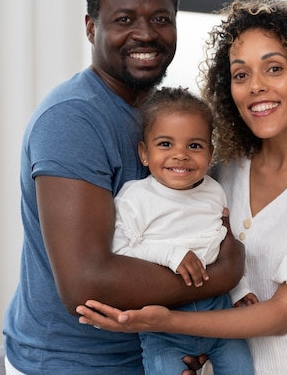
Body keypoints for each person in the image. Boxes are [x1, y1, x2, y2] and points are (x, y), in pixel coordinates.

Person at [76, 0, 287, 375]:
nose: (255, 86)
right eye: (241, 74)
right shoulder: (223, 172)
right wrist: (195, 346)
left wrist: (167, 324)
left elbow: (281, 315)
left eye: (274, 68)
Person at [2, 0, 245, 374]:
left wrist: (192, 333)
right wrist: (223, 273)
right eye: (124, 18)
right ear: (92, 27)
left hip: (158, 351)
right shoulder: (72, 119)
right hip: (70, 364)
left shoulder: (171, 118)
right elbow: (87, 283)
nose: (146, 33)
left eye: (161, 18)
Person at [112, 86, 257, 375]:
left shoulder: (214, 192)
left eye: (194, 146)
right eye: (165, 144)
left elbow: (220, 244)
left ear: (210, 153)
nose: (180, 155)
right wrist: (171, 254)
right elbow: (118, 251)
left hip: (221, 317)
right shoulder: (135, 198)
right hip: (164, 328)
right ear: (144, 152)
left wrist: (241, 289)